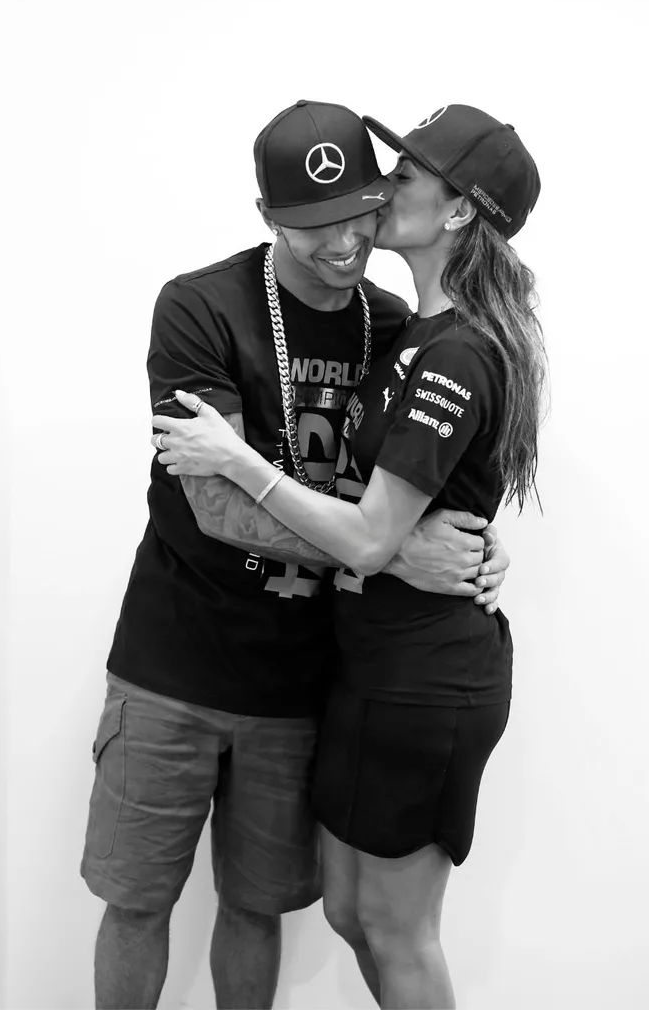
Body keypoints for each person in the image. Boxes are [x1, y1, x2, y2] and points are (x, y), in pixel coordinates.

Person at [81, 99, 511, 1010]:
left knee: (255, 907)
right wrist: (394, 554)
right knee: (137, 903)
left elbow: (432, 472)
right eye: (309, 225)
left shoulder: (399, 325)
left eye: (360, 207)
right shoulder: (200, 306)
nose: (342, 240)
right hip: (171, 663)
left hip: (305, 678)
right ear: (266, 218)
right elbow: (213, 506)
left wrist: (472, 543)